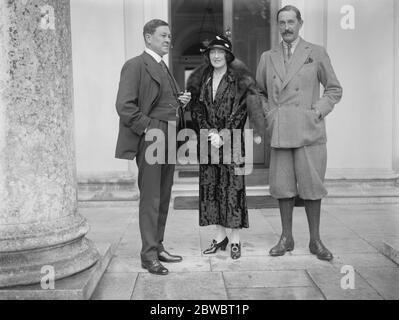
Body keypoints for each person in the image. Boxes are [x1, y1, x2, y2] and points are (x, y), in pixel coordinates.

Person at [256, 5, 343, 261]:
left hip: (309, 132)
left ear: (300, 23)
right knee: (283, 187)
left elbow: (334, 89)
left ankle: (315, 240)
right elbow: (259, 92)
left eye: (291, 22)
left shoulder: (315, 52)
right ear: (277, 26)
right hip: (281, 131)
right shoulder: (267, 57)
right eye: (282, 23)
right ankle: (286, 237)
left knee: (312, 187)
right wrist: (270, 114)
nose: (286, 27)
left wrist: (316, 112)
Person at [115, 19, 191, 275]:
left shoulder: (163, 66)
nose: (169, 39)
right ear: (148, 38)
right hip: (152, 135)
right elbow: (125, 106)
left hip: (168, 134)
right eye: (163, 35)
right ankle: (148, 255)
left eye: (170, 36)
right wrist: (148, 127)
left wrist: (180, 102)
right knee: (151, 197)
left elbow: (162, 101)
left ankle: (157, 246)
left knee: (165, 194)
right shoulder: (135, 65)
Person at [187, 35, 265, 260]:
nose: (216, 55)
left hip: (231, 143)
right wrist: (209, 132)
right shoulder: (203, 78)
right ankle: (220, 236)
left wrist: (224, 135)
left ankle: (235, 239)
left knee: (233, 190)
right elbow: (197, 108)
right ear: (208, 56)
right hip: (208, 143)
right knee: (212, 189)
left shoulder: (238, 79)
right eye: (212, 52)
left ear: (228, 55)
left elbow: (242, 110)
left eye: (221, 52)